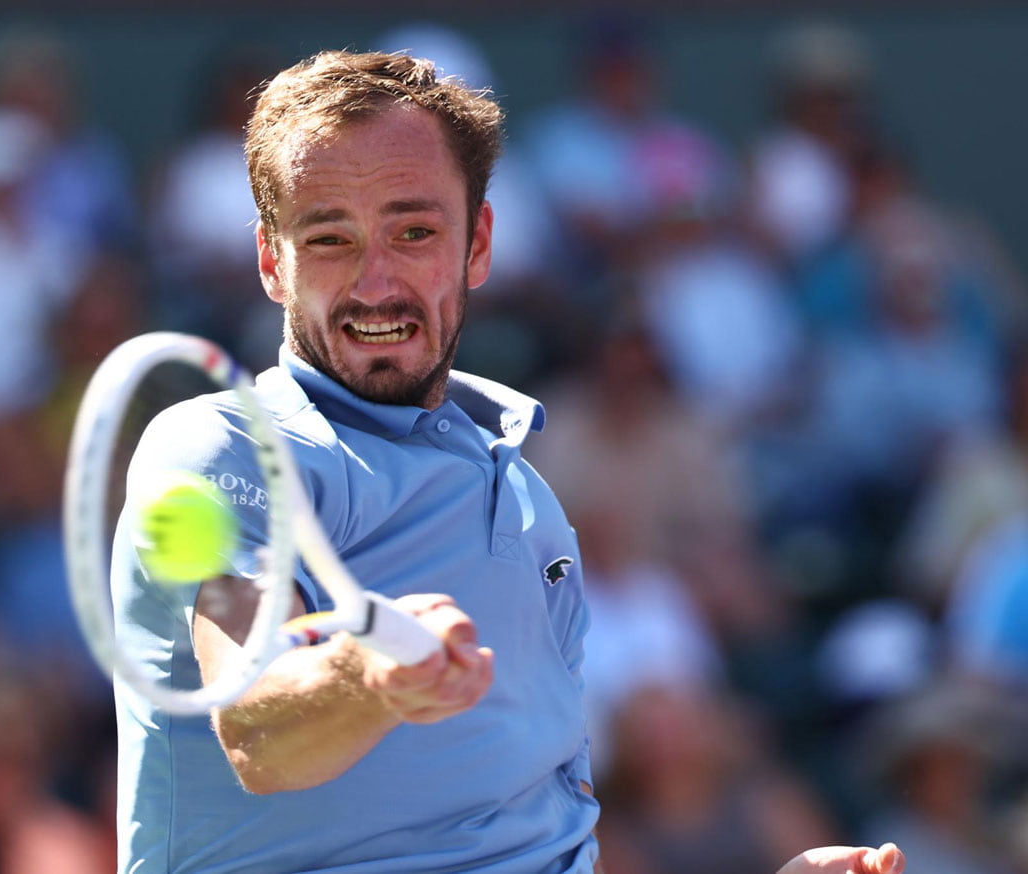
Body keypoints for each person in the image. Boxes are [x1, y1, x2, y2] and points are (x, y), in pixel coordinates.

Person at [112, 48, 905, 874]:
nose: (375, 281)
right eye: (330, 238)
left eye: (414, 232)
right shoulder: (220, 446)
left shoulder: (530, 504)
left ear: (478, 243)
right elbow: (256, 729)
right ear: (274, 263)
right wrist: (366, 673)